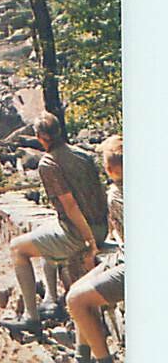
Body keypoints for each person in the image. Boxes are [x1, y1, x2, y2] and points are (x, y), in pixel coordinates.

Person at [0, 111, 108, 335]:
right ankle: (51, 299)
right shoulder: (83, 155)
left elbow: (70, 206)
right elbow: (99, 195)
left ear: (40, 137)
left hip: (80, 234)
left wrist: (89, 241)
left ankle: (31, 317)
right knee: (44, 232)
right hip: (101, 228)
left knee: (18, 248)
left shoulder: (48, 163)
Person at [66, 136, 124, 363]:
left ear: (108, 170)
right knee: (79, 286)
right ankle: (82, 356)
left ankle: (101, 359)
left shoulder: (115, 197)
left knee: (76, 300)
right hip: (122, 255)